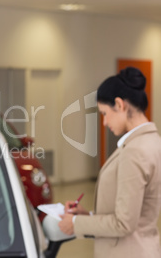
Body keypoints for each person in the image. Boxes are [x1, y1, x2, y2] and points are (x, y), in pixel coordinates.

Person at [58, 67, 161, 258]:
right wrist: (87, 216)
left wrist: (74, 224)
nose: (104, 122)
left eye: (105, 113)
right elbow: (131, 215)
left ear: (120, 105)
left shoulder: (135, 151)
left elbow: (124, 224)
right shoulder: (152, 141)